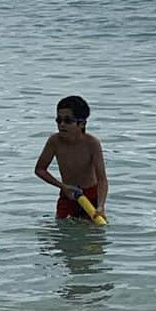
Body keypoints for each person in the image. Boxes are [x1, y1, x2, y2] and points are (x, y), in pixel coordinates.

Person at [34, 94, 108, 222]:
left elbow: (102, 179)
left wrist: (100, 206)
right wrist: (62, 186)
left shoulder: (92, 143)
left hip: (90, 196)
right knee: (61, 233)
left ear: (82, 124)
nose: (62, 125)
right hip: (67, 194)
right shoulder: (54, 141)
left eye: (68, 121)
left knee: (94, 235)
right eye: (59, 120)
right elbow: (40, 169)